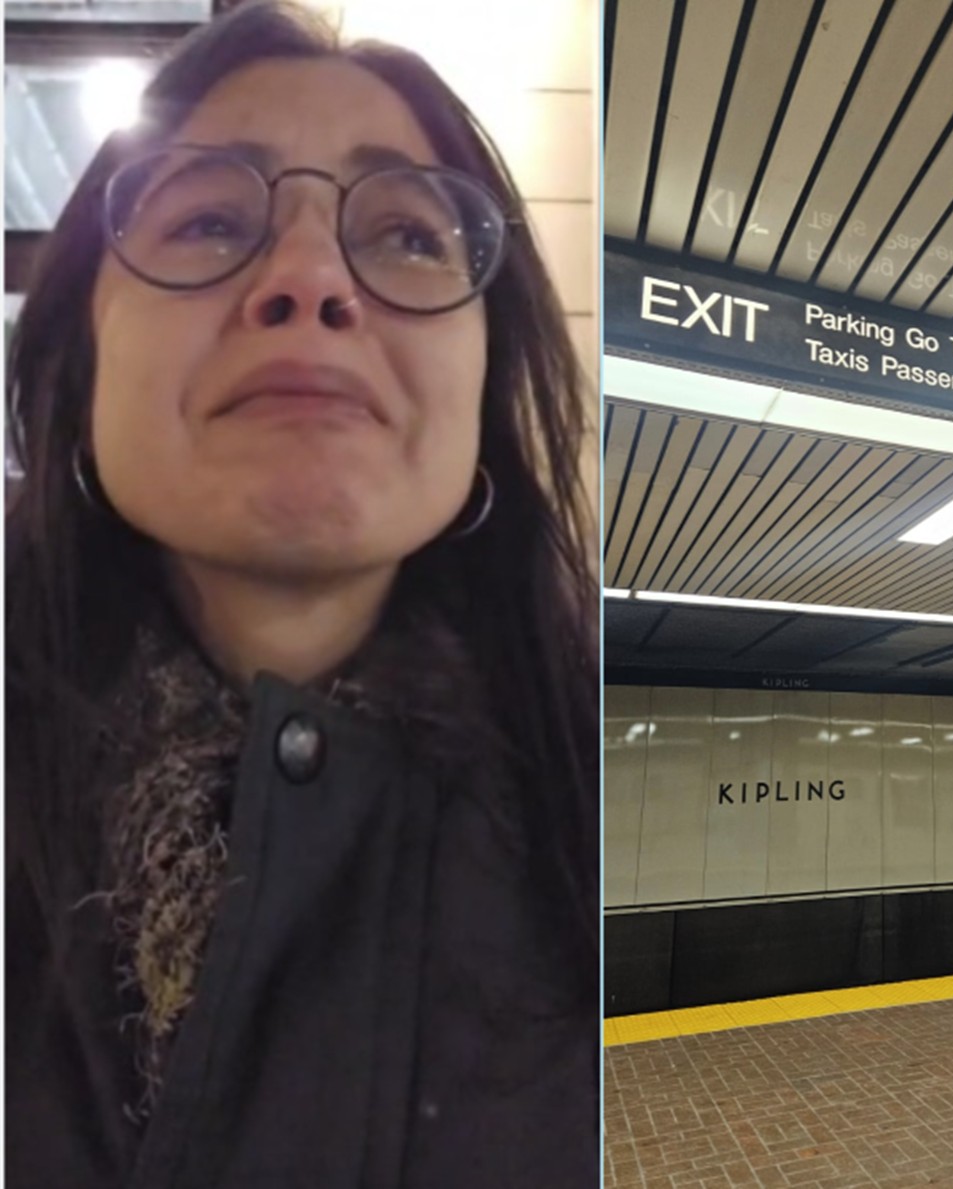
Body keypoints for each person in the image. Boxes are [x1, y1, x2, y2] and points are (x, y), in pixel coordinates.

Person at [5, 3, 599, 1186]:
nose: (312, 280)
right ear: (81, 362)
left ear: (483, 389)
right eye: (210, 220)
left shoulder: (582, 807)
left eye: (409, 237)